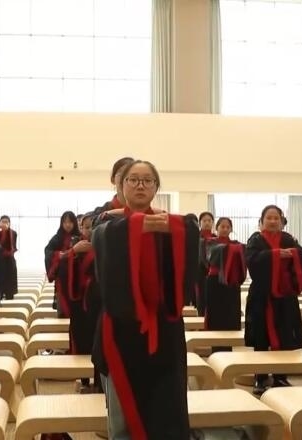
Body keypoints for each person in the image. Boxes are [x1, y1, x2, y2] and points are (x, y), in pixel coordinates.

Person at [91, 160, 200, 439]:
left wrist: (168, 227)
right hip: (121, 329)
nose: (140, 185)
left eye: (148, 180)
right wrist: (136, 225)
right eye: (133, 179)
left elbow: (191, 230)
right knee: (122, 416)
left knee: (167, 406)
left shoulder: (170, 224)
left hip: (164, 331)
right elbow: (101, 239)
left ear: (156, 187)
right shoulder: (107, 223)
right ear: (121, 185)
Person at [245, 206, 302, 395]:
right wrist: (275, 255)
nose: (273, 221)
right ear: (261, 221)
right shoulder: (256, 240)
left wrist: (294, 255)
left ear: (282, 221)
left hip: (284, 295)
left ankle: (280, 376)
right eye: (269, 218)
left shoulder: (288, 239)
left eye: (276, 218)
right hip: (262, 295)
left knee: (284, 336)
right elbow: (251, 260)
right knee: (261, 338)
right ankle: (260, 376)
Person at [55, 214, 101, 392]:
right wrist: (73, 252)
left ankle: (99, 383)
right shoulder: (76, 245)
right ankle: (84, 380)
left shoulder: (105, 245)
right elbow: (63, 267)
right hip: (80, 303)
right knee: (81, 341)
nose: (88, 230)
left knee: (98, 342)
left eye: (92, 227)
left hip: (99, 302)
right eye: (85, 227)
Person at [203, 217, 246, 353]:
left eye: (228, 227)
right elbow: (210, 257)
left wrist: (234, 249)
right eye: (222, 226)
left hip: (231, 282)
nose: (225, 229)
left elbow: (244, 252)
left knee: (230, 314)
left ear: (231, 229)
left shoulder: (236, 244)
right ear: (217, 228)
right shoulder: (209, 242)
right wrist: (232, 249)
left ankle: (228, 348)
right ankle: (215, 348)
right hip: (215, 282)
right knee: (216, 314)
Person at [45, 211, 80, 316]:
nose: (68, 225)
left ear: (74, 223)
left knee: (77, 310)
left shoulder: (80, 237)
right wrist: (58, 255)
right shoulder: (57, 238)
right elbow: (47, 251)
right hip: (62, 277)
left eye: (70, 222)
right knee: (63, 307)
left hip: (77, 276)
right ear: (61, 223)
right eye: (65, 222)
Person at [0, 216, 18, 300]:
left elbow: (12, 244)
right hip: (0, 259)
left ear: (9, 223)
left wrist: (6, 231)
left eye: (6, 221)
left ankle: (9, 295)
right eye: (2, 221)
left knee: (10, 278)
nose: (4, 223)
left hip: (9, 259)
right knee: (0, 277)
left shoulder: (13, 233)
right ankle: (0, 294)